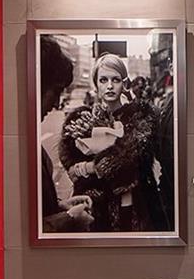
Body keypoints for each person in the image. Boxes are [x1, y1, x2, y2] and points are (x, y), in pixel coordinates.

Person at [59, 54, 167, 232]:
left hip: (139, 207)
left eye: (115, 80)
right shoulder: (81, 119)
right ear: (96, 84)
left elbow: (130, 158)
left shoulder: (141, 116)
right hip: (96, 208)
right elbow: (71, 165)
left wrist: (89, 167)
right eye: (103, 80)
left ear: (124, 84)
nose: (109, 86)